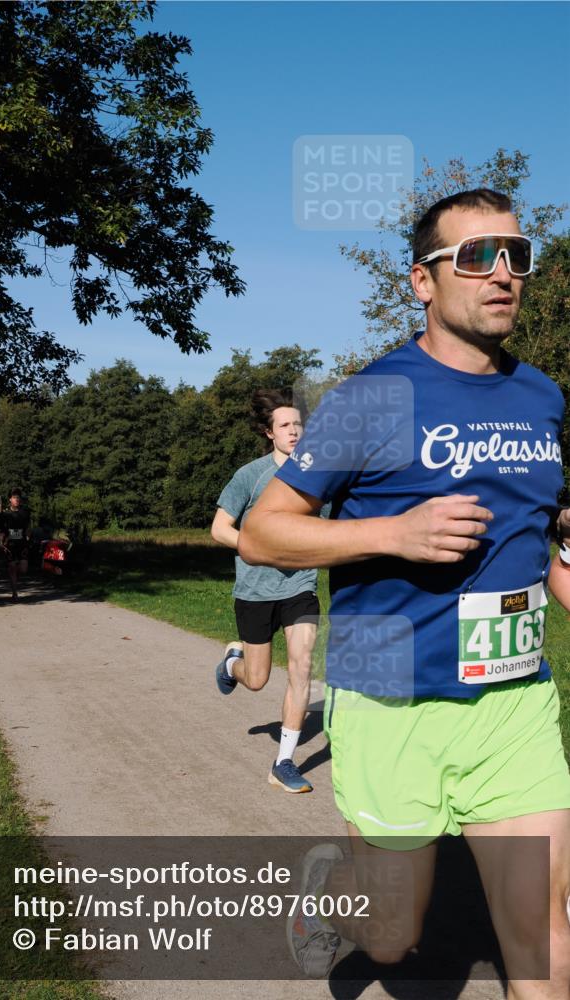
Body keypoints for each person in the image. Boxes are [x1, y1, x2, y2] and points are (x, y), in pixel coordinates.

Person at [240, 189, 570, 995]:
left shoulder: (543, 398)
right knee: (389, 942)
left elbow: (541, 535)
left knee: (546, 938)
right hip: (390, 701)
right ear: (422, 282)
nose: (502, 274)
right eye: (475, 256)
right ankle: (333, 893)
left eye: (516, 256)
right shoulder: (368, 399)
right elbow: (264, 531)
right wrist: (391, 534)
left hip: (513, 702)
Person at [211, 389, 319, 793]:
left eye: (298, 424)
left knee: (302, 665)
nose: (294, 431)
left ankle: (284, 762)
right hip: (256, 589)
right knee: (256, 680)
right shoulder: (250, 475)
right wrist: (255, 546)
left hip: (300, 585)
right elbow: (219, 528)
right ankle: (230, 663)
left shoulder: (315, 474)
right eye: (286, 425)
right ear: (269, 433)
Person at [2, 487, 30, 600]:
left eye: (18, 497)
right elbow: (2, 530)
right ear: (10, 499)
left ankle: (13, 572)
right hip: (10, 545)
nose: (16, 499)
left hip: (22, 544)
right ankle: (15, 593)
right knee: (12, 568)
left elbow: (29, 527)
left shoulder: (25, 512)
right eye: (14, 497)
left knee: (23, 569)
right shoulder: (5, 514)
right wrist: (2, 543)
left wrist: (28, 538)